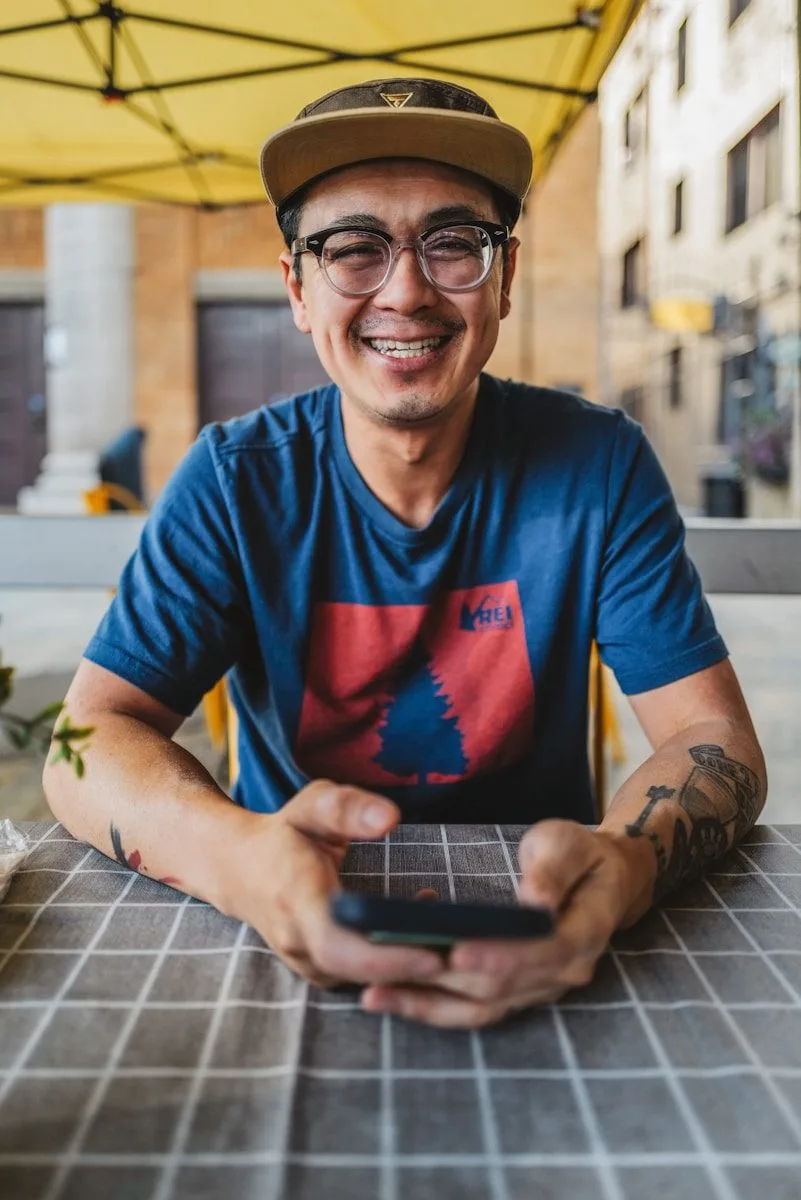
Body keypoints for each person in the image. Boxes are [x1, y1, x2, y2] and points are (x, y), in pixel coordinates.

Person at [44, 77, 766, 1029]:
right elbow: (82, 744)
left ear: (504, 279)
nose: (406, 290)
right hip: (274, 924)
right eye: (353, 250)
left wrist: (623, 867)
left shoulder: (595, 464)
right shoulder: (232, 480)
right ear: (298, 289)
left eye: (453, 242)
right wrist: (241, 861)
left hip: (541, 920)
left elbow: (712, 742)